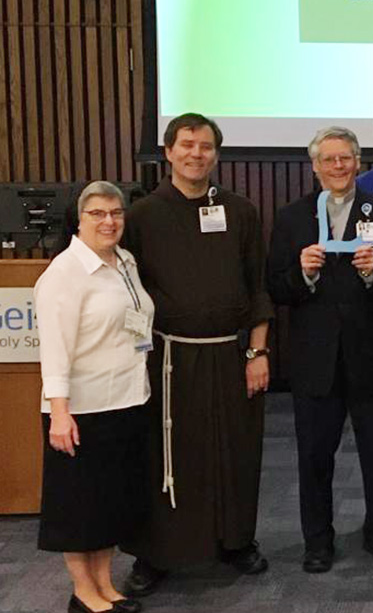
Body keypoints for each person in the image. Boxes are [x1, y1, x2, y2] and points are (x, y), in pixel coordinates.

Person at [121, 113, 274, 596]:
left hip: (232, 354)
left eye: (206, 146)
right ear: (168, 151)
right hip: (166, 358)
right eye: (187, 145)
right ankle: (157, 553)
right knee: (166, 453)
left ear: (217, 155)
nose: (196, 154)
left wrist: (258, 351)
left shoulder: (240, 210)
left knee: (236, 451)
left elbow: (257, 288)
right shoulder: (141, 216)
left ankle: (235, 540)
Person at [267, 127, 373, 573]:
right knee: (313, 457)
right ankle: (318, 541)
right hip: (315, 361)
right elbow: (275, 287)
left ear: (358, 162)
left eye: (345, 158)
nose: (338, 167)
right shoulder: (292, 218)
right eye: (328, 160)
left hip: (371, 356)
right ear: (314, 167)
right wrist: (303, 274)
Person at [35, 181, 153, 613]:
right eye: (97, 214)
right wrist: (59, 414)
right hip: (80, 409)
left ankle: (105, 584)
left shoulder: (125, 262)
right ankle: (83, 592)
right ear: (79, 219)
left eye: (116, 213)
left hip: (125, 399)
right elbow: (55, 349)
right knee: (79, 506)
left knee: (109, 502)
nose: (109, 221)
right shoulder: (63, 273)